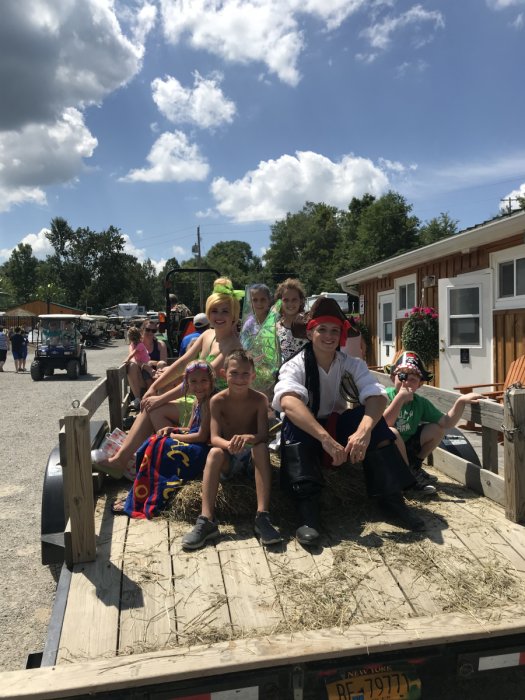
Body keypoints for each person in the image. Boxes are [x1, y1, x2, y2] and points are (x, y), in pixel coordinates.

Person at [272, 297, 424, 545]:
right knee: (292, 423)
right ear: (310, 333)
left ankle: (391, 499)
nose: (329, 336)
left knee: (373, 424)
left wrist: (363, 432)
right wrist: (325, 439)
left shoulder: (351, 363)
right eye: (322, 329)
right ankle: (308, 512)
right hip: (311, 432)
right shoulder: (295, 365)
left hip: (337, 426)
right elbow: (288, 402)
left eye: (335, 330)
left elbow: (375, 397)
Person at [94, 278, 242, 475]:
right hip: (198, 399)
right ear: (208, 313)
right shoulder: (207, 335)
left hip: (213, 406)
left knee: (154, 409)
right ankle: (128, 459)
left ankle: (176, 461)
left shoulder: (232, 346)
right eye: (215, 311)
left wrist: (159, 398)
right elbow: (182, 364)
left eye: (225, 311)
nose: (219, 316)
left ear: (234, 315)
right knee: (150, 403)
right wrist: (154, 388)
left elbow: (199, 382)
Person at [182, 349, 282, 549]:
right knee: (214, 452)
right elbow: (214, 437)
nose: (239, 379)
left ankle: (262, 516)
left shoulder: (259, 400)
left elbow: (263, 434)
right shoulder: (217, 400)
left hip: (250, 458)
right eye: (234, 373)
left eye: (245, 374)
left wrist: (247, 438)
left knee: (261, 449)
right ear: (224, 374)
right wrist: (229, 445)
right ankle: (206, 520)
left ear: (253, 376)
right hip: (228, 457)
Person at [111, 361, 216, 518]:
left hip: (201, 450)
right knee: (154, 440)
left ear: (211, 381)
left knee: (161, 447)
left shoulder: (209, 403)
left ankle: (153, 496)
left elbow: (201, 436)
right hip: (193, 442)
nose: (199, 386)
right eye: (193, 381)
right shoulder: (197, 401)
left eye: (203, 381)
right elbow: (189, 429)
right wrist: (170, 430)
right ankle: (140, 492)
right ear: (187, 384)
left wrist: (173, 435)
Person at [383, 351, 483, 494]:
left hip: (408, 446)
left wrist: (460, 402)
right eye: (402, 376)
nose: (406, 382)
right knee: (392, 431)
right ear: (393, 377)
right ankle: (407, 478)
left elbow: (446, 423)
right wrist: (400, 398)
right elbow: (385, 424)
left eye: (413, 379)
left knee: (437, 429)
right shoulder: (385, 395)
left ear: (420, 384)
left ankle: (414, 467)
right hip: (386, 448)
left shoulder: (420, 403)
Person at [126, 320, 168, 409]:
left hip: (156, 378)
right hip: (141, 378)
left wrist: (151, 363)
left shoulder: (160, 344)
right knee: (132, 366)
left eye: (153, 331)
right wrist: (146, 366)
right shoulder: (134, 344)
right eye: (148, 330)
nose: (150, 333)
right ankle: (138, 399)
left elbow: (163, 363)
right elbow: (132, 360)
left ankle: (160, 395)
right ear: (142, 330)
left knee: (162, 364)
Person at [275, 278, 309, 363]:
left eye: (294, 299)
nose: (290, 303)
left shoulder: (309, 326)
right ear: (280, 302)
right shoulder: (274, 329)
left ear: (301, 301)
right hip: (282, 375)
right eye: (286, 300)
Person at [240, 283, 272, 349]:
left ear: (269, 300)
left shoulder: (275, 321)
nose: (259, 303)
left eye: (263, 299)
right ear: (251, 302)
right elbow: (244, 347)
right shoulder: (249, 325)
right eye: (255, 300)